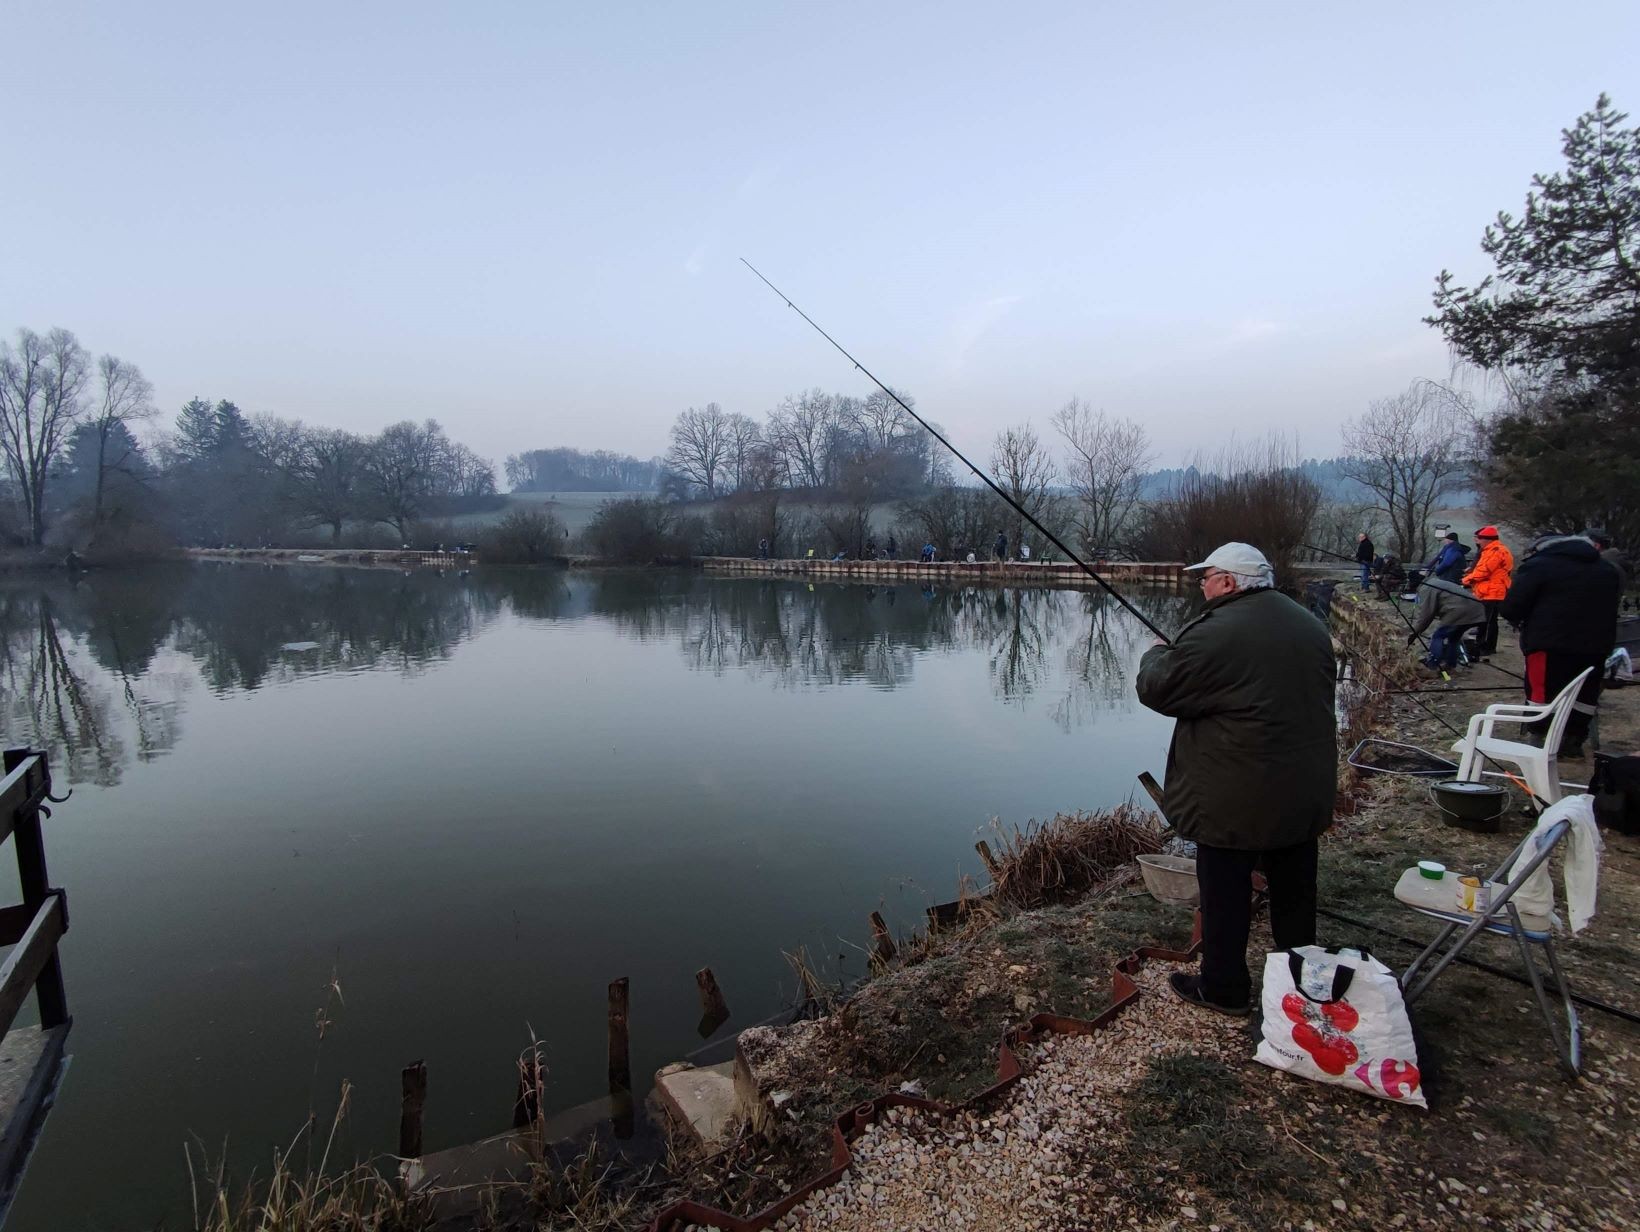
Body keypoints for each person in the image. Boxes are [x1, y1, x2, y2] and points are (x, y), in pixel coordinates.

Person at [1136, 543, 1336, 1015]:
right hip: (1302, 788)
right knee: (1294, 888)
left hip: (1236, 793)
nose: (1201, 585)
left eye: (1205, 577)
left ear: (1228, 581)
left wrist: (1155, 654)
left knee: (1224, 890)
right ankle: (1297, 978)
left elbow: (1159, 688)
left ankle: (1223, 988)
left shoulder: (1220, 630)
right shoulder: (1308, 623)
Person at [1501, 532, 1623, 759]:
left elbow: (1512, 607)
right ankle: (1573, 741)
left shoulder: (1539, 566)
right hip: (1595, 646)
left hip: (1548, 643)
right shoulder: (1608, 570)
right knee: (1584, 694)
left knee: (1541, 693)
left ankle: (1537, 740)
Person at [1407, 572, 1486, 675]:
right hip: (1477, 609)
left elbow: (1425, 615)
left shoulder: (1426, 588)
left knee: (1438, 636)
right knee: (1454, 638)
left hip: (1459, 612)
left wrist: (1414, 633)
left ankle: (1433, 667)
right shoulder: (1435, 582)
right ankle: (1450, 665)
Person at [1461, 525, 1512, 655]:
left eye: (1480, 539)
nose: (1478, 541)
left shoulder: (1495, 551)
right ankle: (1487, 646)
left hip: (1492, 591)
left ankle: (1484, 647)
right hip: (1491, 590)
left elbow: (1484, 571)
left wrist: (1466, 580)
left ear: (1487, 539)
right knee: (1489, 620)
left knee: (1486, 621)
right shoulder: (1494, 550)